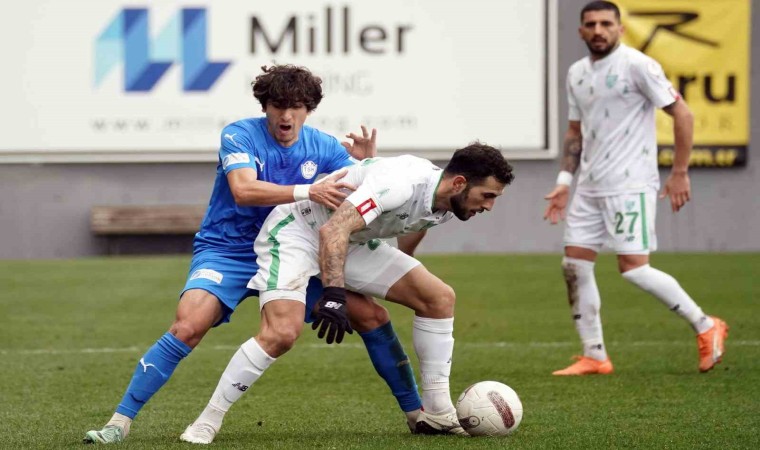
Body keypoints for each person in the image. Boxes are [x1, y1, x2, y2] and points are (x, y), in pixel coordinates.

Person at [84, 65, 422, 444]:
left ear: (309, 109)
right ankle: (119, 422)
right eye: (278, 105)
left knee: (372, 316)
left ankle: (418, 414)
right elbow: (243, 190)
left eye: (296, 107)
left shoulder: (324, 147)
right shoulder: (239, 134)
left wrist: (366, 165)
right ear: (265, 106)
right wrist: (307, 190)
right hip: (229, 250)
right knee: (188, 326)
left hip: (290, 251)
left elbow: (364, 195)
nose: (286, 115)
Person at [179, 144, 515, 443]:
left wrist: (403, 272)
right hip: (297, 233)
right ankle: (207, 420)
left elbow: (411, 228)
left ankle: (438, 412)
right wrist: (334, 293)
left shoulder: (447, 203)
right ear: (459, 183)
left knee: (438, 298)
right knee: (281, 334)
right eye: (488, 195)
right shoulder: (401, 184)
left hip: (350, 241)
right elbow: (333, 229)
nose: (489, 206)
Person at [543, 1, 728, 376]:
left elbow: (683, 113)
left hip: (630, 184)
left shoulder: (638, 65)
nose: (598, 30)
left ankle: (706, 324)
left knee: (633, 268)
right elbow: (575, 132)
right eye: (591, 24)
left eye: (606, 23)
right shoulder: (577, 73)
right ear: (581, 31)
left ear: (620, 28)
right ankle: (595, 355)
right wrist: (564, 182)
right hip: (589, 186)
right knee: (574, 264)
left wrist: (680, 172)